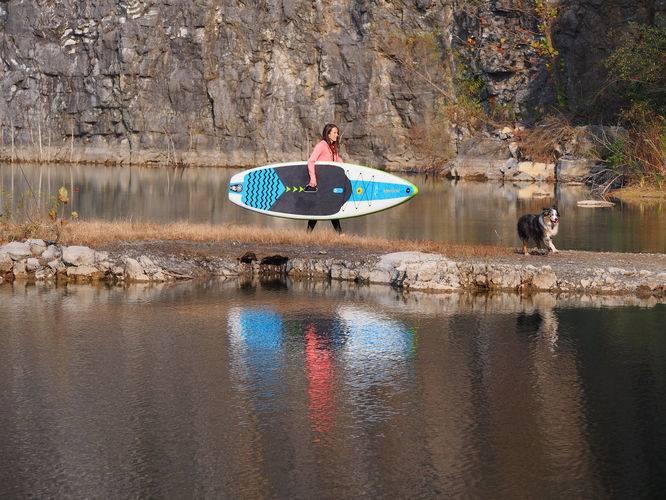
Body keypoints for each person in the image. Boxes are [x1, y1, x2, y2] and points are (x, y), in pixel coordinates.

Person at [305, 123, 343, 234]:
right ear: (328, 134)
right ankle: (339, 233)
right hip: (320, 183)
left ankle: (307, 234)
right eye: (335, 133)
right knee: (323, 207)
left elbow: (337, 161)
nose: (337, 135)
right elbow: (311, 161)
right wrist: (313, 179)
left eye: (337, 133)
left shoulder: (332, 148)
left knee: (326, 207)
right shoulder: (321, 145)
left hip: (328, 183)